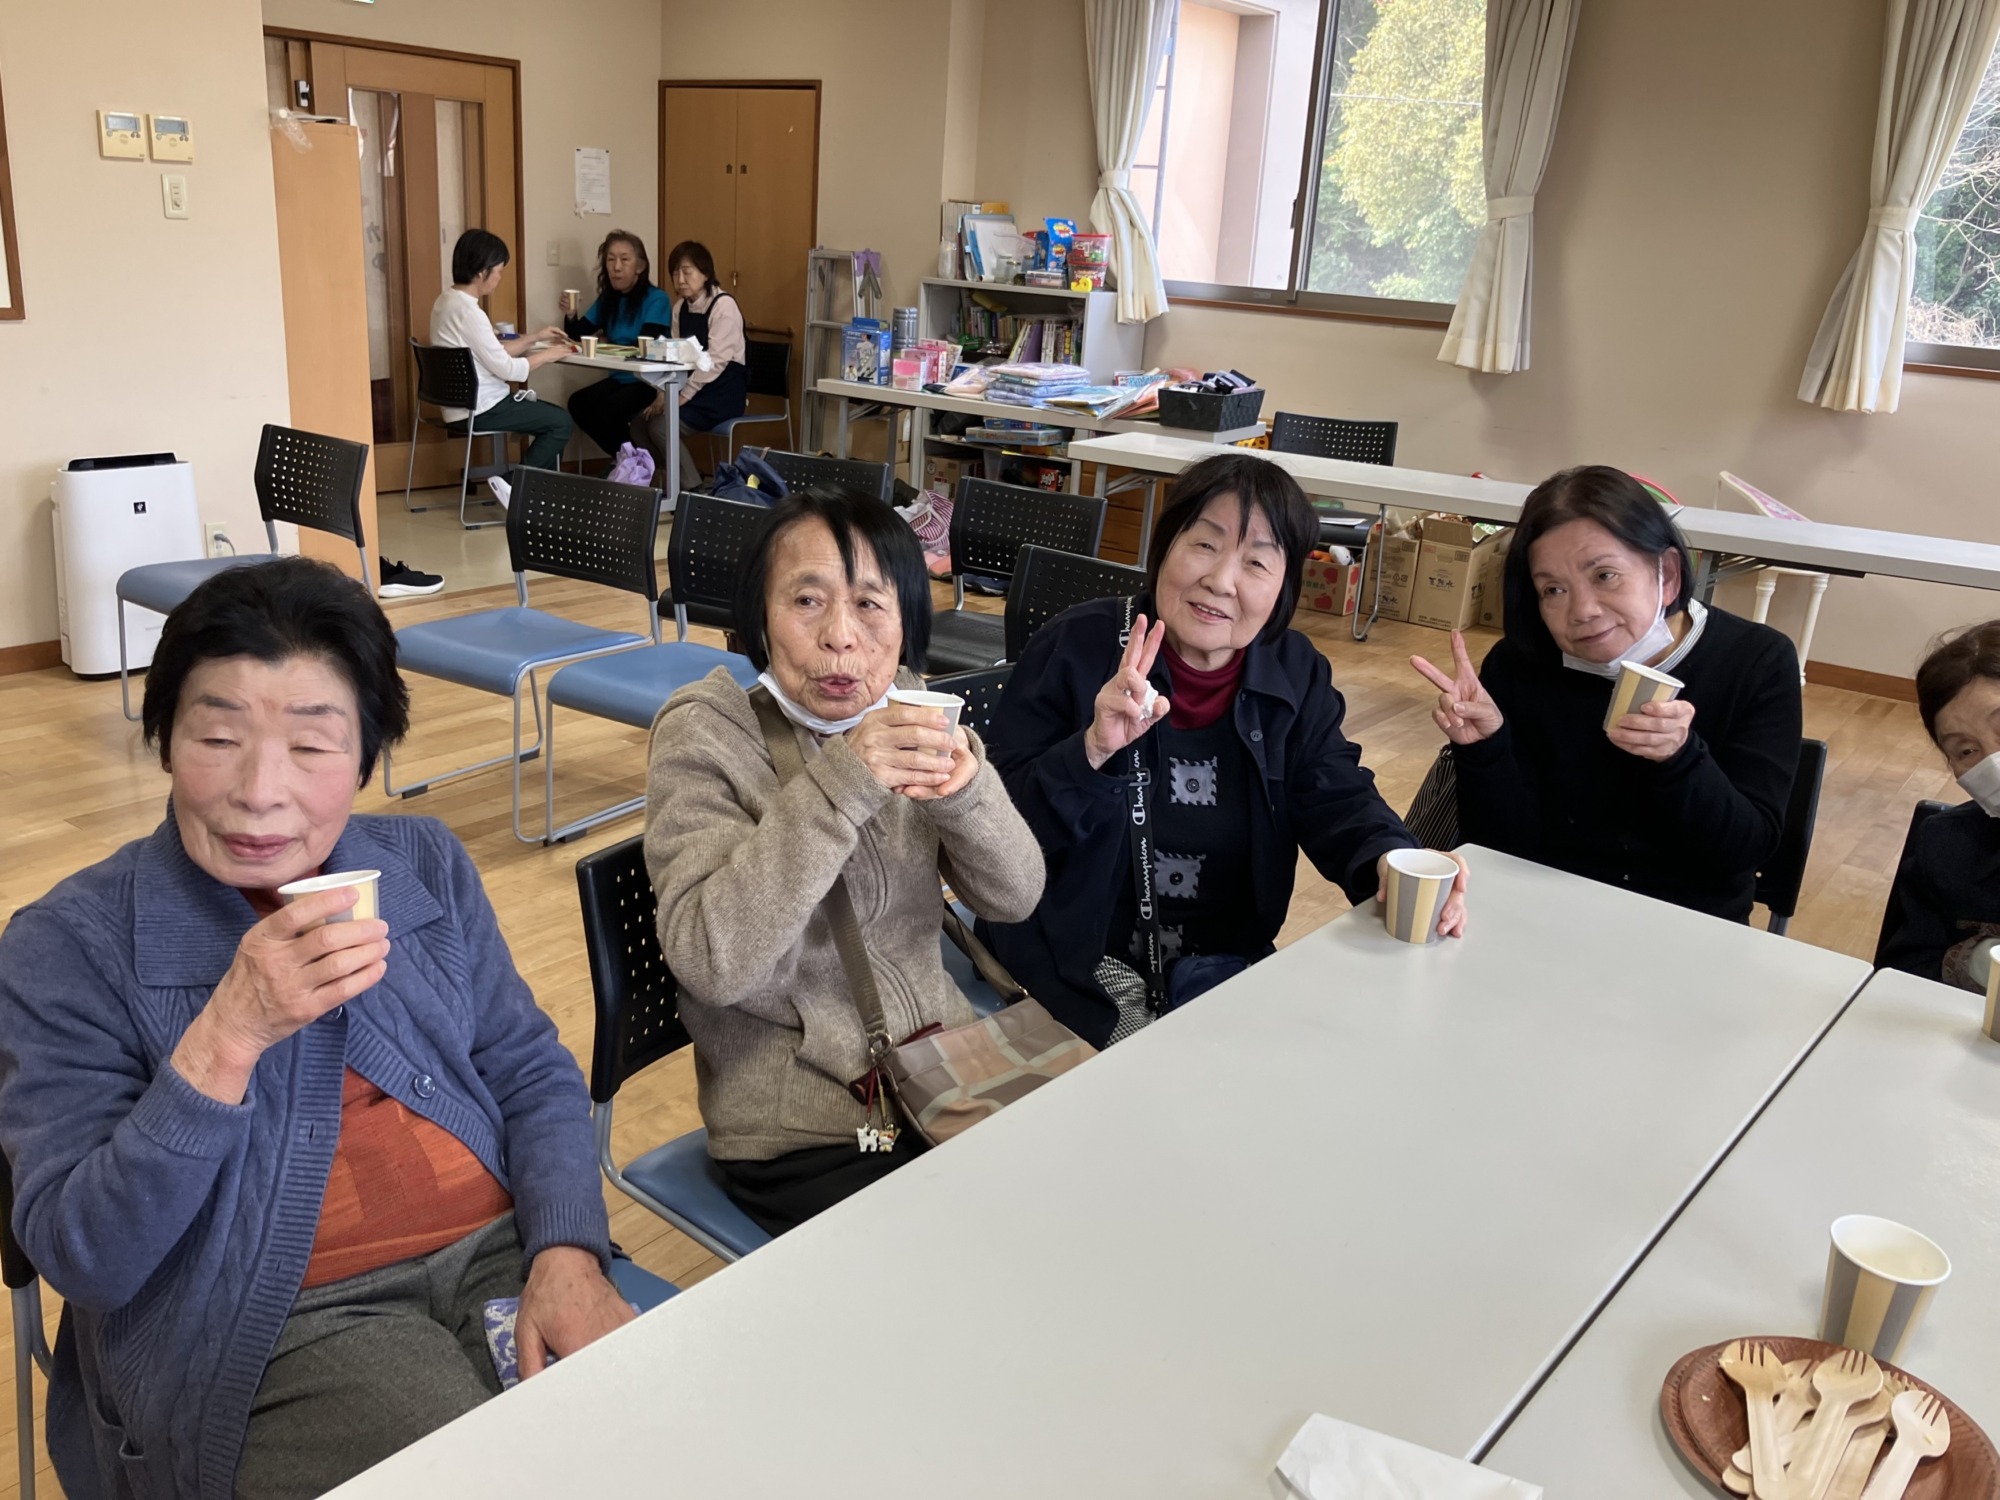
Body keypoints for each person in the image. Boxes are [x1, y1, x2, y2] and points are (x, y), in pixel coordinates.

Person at [0, 558, 632, 1500]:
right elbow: (87, 1256)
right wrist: (227, 1035)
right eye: (219, 737)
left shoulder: (422, 862)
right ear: (164, 739)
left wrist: (568, 1250)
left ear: (368, 760)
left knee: (661, 1441)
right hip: (270, 1317)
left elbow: (528, 1067)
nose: (261, 791)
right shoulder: (66, 944)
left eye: (311, 746)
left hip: (505, 1249)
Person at [643, 485, 1044, 1235]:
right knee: (976, 1242)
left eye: (869, 605)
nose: (840, 638)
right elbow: (712, 961)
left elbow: (1016, 896)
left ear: (906, 621)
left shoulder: (913, 708)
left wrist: (965, 795)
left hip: (948, 1071)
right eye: (807, 601)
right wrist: (844, 782)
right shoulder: (706, 736)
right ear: (760, 617)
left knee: (1076, 1194)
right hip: (815, 1129)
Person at [984, 451, 1466, 1051]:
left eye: (1256, 562)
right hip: (1072, 965)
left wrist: (1387, 857)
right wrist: (1090, 752)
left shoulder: (1295, 672)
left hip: (1223, 971)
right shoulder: (1078, 647)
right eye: (1205, 545)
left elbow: (1334, 791)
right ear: (1165, 547)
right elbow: (993, 826)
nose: (1221, 580)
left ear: (1283, 588)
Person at [1413, 464, 1802, 921]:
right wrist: (1487, 748)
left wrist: (1680, 760)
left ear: (1667, 574)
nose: (1582, 611)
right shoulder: (1521, 664)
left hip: (1689, 923)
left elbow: (1743, 851)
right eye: (1553, 589)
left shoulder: (1755, 661)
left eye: (1605, 576)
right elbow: (1502, 847)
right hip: (1542, 910)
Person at [1876, 621, 2000, 989]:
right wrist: (1979, 962)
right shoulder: (1947, 848)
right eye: (1966, 751)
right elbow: (1904, 968)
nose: (1992, 760)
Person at [430, 228, 575, 476]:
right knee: (560, 422)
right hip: (481, 408)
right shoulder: (469, 313)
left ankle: (536, 491)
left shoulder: (445, 302)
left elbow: (493, 352)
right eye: (498, 271)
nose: (499, 278)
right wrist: (549, 355)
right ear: (481, 271)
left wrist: (535, 338)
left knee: (552, 419)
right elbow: (509, 370)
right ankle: (513, 484)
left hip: (459, 405)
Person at [563, 229, 675, 458]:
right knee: (578, 403)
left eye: (624, 260)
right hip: (620, 378)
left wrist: (605, 340)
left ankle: (638, 463)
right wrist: (571, 313)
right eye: (611, 260)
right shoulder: (608, 298)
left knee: (607, 410)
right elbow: (577, 334)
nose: (616, 267)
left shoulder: (657, 298)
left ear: (640, 266)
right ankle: (632, 460)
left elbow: (645, 345)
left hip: (647, 382)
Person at [645, 240, 749, 474]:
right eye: (675, 273)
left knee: (661, 426)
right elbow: (674, 356)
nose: (680, 279)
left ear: (705, 274)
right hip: (692, 388)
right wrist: (662, 394)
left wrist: (682, 396)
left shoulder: (724, 306)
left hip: (721, 394)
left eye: (687, 272)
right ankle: (664, 479)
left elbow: (715, 362)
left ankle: (691, 487)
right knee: (641, 424)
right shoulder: (680, 307)